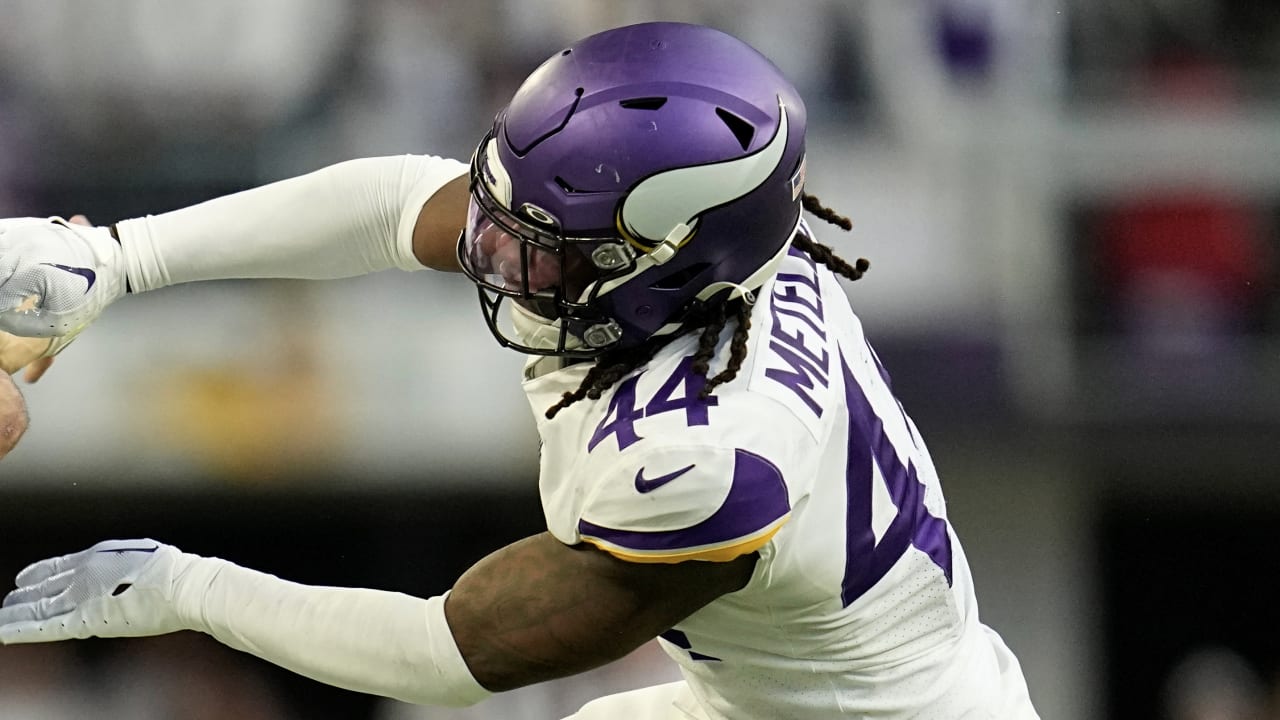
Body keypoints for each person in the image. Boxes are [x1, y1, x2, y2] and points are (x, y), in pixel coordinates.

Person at [0, 22, 1040, 719]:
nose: (492, 252)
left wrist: (189, 588)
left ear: (667, 266)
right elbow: (393, 206)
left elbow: (446, 652)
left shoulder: (705, 460)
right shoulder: (703, 265)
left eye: (538, 244)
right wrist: (120, 259)